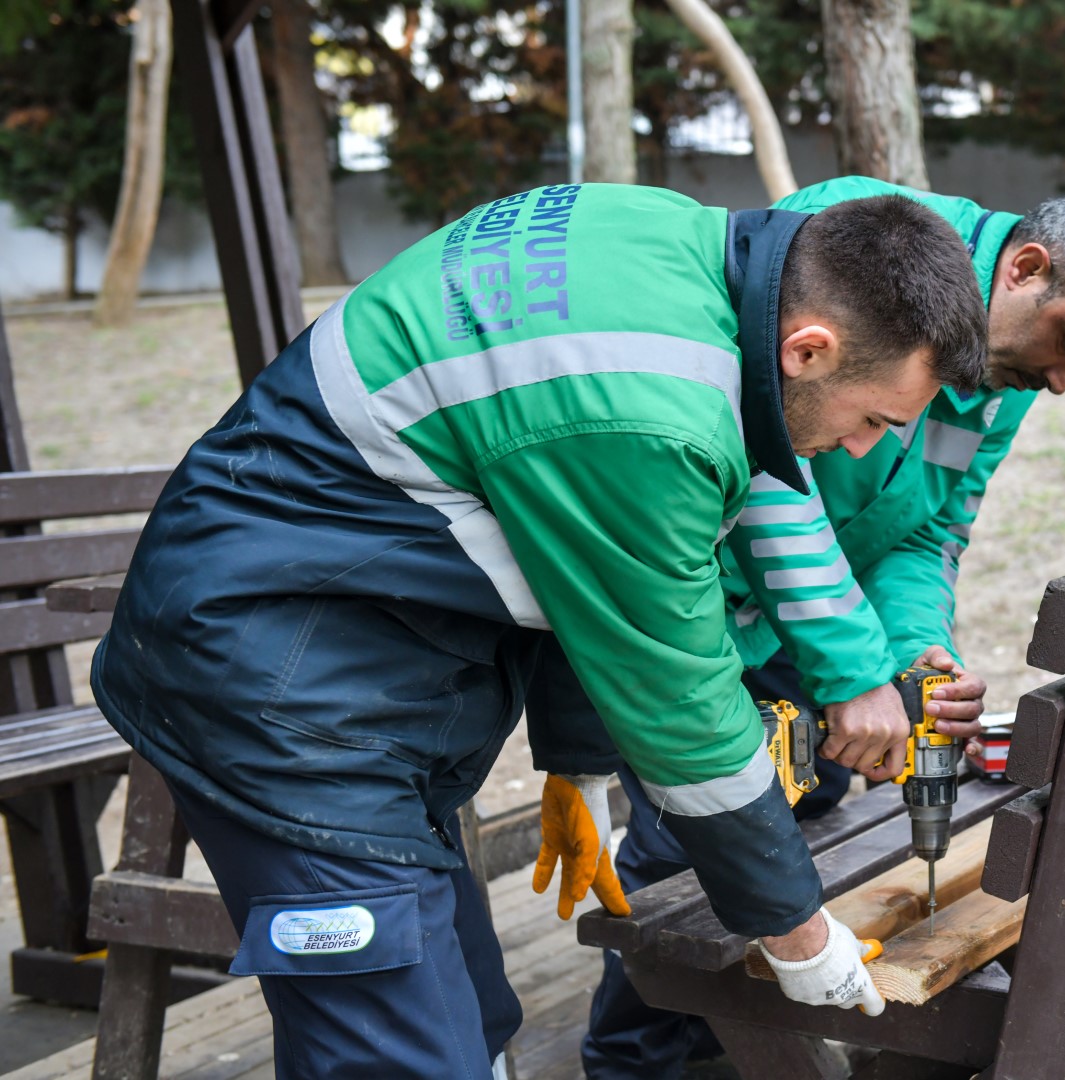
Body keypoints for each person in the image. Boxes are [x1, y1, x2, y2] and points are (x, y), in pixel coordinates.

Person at [89, 183, 989, 1079]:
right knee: (399, 1058)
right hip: (269, 681)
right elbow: (680, 702)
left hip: (358, 660)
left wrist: (579, 757)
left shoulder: (671, 245)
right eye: (875, 419)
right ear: (808, 348)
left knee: (475, 1017)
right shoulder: (659, 410)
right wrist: (796, 933)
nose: (866, 449)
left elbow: (570, 548)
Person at [530, 177, 1065, 1079]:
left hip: (831, 644)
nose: (1062, 383)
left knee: (811, 810)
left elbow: (928, 530)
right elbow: (767, 477)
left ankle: (729, 1044)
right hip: (709, 616)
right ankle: (632, 1063)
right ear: (1026, 268)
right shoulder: (865, 248)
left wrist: (914, 652)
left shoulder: (1002, 372)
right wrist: (858, 669)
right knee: (690, 856)